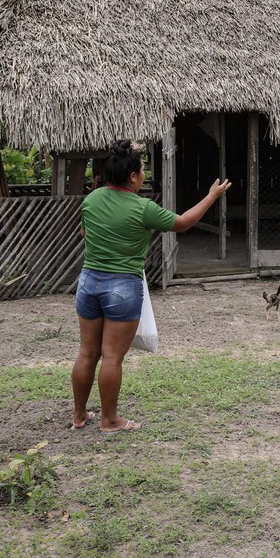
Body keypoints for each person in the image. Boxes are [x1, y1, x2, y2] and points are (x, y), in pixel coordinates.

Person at [72, 139, 231, 433]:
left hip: (89, 281)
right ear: (132, 176)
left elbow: (85, 232)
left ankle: (79, 416)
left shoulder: (91, 200)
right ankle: (110, 421)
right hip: (122, 286)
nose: (144, 174)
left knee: (86, 353)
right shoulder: (143, 208)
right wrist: (212, 195)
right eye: (143, 169)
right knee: (112, 357)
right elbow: (183, 223)